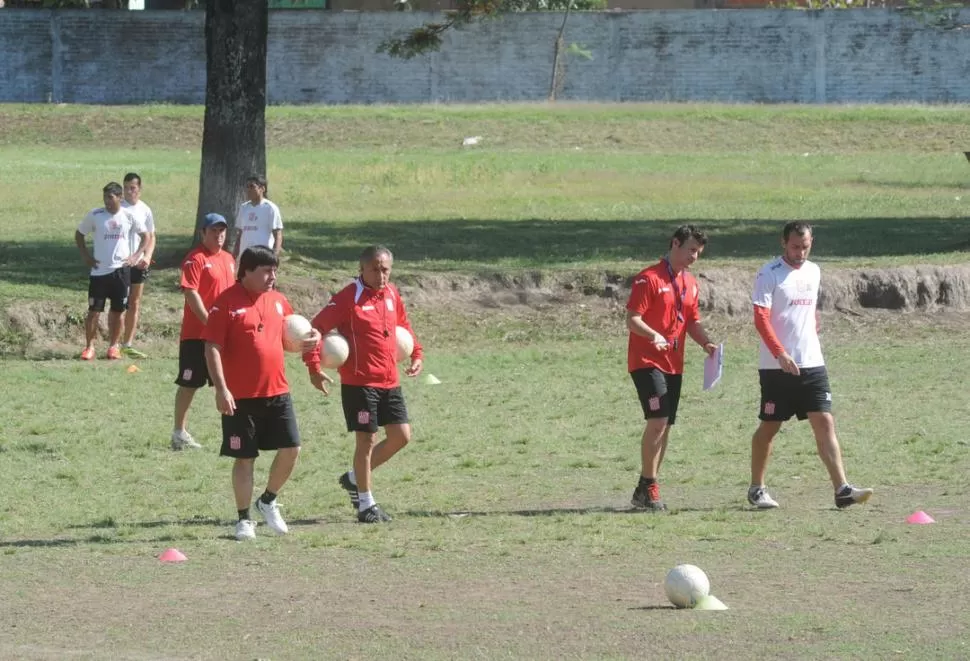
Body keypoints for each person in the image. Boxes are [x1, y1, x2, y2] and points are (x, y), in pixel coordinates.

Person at [747, 222, 873, 510]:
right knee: (770, 426)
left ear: (811, 242)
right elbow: (761, 318)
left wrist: (811, 328)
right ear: (783, 243)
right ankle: (757, 488)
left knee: (825, 421)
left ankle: (842, 489)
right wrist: (780, 352)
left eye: (805, 247)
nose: (800, 253)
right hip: (776, 367)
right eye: (794, 247)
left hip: (812, 363)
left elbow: (808, 310)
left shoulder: (814, 271)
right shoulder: (769, 274)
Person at [204, 246, 321, 541]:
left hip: (278, 391)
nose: (273, 277)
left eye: (275, 270)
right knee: (245, 458)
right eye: (267, 271)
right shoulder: (225, 304)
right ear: (247, 271)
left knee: (292, 448)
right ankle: (244, 519)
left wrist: (313, 341)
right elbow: (212, 348)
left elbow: (297, 335)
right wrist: (221, 389)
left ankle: (267, 500)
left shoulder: (279, 301)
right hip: (240, 397)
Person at [303, 245, 423, 524]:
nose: (381, 275)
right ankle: (365, 504)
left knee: (401, 436)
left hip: (389, 380)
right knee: (366, 440)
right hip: (360, 383)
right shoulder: (349, 297)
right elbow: (315, 329)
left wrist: (417, 354)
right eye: (375, 270)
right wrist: (313, 367)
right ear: (362, 270)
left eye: (386, 270)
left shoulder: (392, 294)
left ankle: (354, 479)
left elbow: (402, 327)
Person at [626, 225, 717, 511]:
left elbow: (691, 321)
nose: (695, 257)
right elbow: (632, 319)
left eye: (699, 252)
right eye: (691, 249)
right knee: (658, 420)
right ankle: (649, 485)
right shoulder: (648, 278)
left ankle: (646, 485)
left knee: (665, 426)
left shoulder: (690, 282)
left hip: (673, 364)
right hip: (646, 361)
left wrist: (707, 344)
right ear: (675, 243)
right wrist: (653, 335)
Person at [171, 213, 236, 451]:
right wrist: (210, 323)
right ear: (203, 233)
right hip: (197, 335)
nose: (219, 236)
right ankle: (179, 432)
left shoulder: (229, 259)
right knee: (190, 383)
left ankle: (235, 432)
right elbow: (190, 292)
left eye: (222, 231)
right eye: (213, 231)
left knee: (230, 382)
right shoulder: (195, 259)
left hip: (225, 335)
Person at [75, 182, 148, 361]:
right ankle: (89, 347)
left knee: (118, 311)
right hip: (99, 272)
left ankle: (114, 346)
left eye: (111, 197)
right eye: (105, 197)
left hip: (121, 272)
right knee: (94, 311)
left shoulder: (129, 216)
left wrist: (135, 256)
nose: (107, 201)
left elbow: (146, 236)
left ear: (119, 197)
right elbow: (79, 234)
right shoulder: (95, 215)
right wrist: (86, 256)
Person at [119, 172, 156, 359]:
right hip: (122, 262)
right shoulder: (119, 208)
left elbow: (152, 236)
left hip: (139, 263)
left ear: (139, 190)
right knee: (119, 302)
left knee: (134, 302)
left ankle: (128, 343)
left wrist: (147, 257)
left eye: (132, 188)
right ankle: (115, 343)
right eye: (126, 188)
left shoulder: (145, 210)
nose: (129, 192)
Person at [232, 174, 283, 262]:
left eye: (252, 186)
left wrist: (275, 255)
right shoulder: (244, 208)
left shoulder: (270, 208)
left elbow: (278, 234)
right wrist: (235, 252)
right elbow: (240, 233)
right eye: (247, 187)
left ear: (262, 189)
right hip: (245, 254)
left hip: (263, 256)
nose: (248, 190)